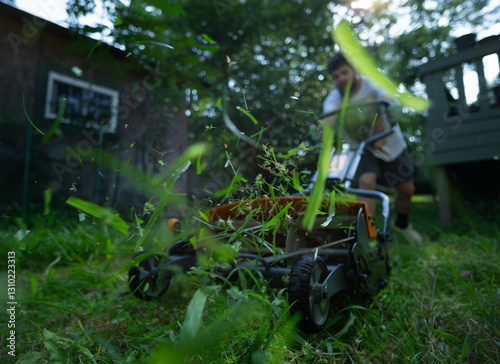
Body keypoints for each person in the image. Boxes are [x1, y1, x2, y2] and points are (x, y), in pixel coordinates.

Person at [322, 53, 423, 243]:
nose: (341, 79)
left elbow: (389, 97)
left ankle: (402, 224)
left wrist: (394, 106)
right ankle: (367, 237)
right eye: (336, 76)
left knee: (406, 189)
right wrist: (324, 128)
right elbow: (329, 116)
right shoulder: (334, 99)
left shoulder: (373, 84)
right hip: (361, 148)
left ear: (355, 71)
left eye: (344, 73)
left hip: (389, 143)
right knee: (366, 182)